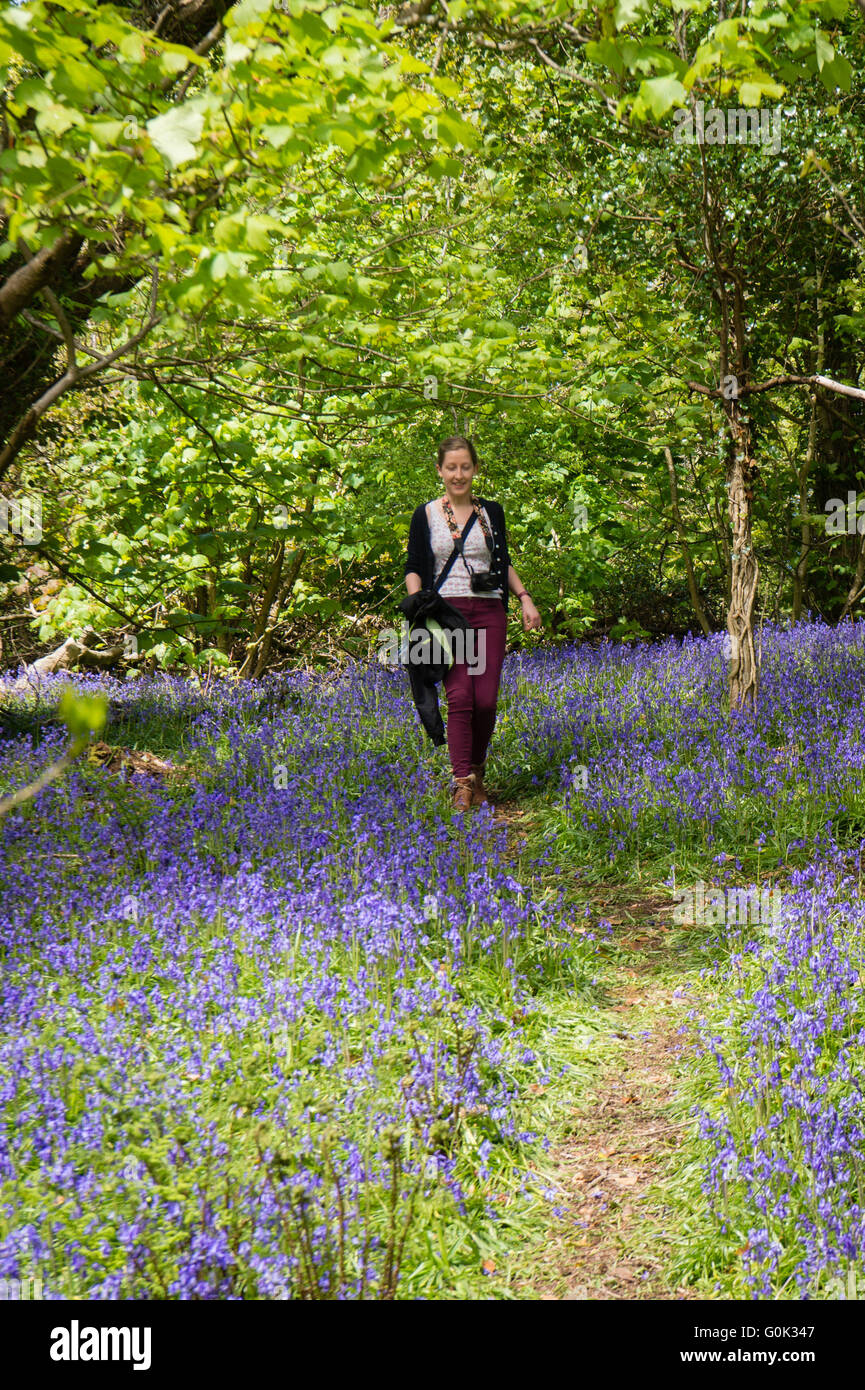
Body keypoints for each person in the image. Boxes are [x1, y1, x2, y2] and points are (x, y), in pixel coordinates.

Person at [404, 436, 542, 811]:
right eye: (451, 467)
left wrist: (524, 598)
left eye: (465, 466)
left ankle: (477, 773)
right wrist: (418, 605)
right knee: (460, 697)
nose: (458, 474)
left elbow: (503, 562)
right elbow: (414, 567)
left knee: (485, 701)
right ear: (439, 471)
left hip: (488, 614)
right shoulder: (427, 514)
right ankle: (462, 783)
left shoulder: (491, 513)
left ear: (475, 469)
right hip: (448, 617)